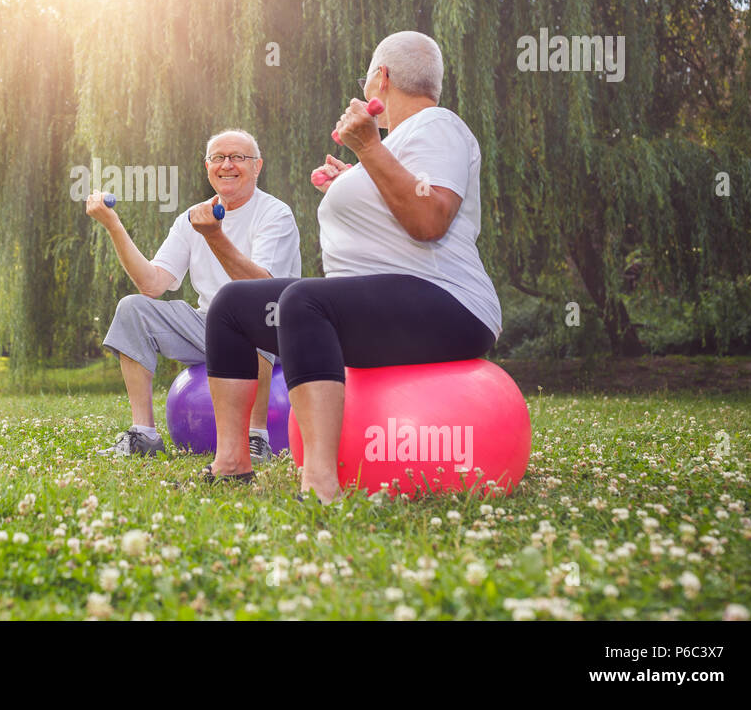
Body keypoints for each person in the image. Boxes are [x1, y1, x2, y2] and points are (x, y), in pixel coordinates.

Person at [202, 31, 502, 501]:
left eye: (367, 81)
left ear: (380, 79)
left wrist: (366, 148)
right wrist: (353, 181)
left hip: (448, 305)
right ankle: (231, 463)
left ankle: (320, 482)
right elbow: (400, 197)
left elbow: (429, 218)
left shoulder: (437, 125)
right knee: (232, 306)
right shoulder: (399, 145)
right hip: (382, 309)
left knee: (304, 300)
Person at [86, 130, 301, 458]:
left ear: (257, 167)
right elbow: (153, 284)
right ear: (208, 167)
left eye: (237, 157)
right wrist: (113, 225)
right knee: (132, 308)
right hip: (211, 326)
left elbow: (260, 287)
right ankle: (143, 434)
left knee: (251, 305)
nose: (226, 164)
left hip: (273, 331)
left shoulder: (275, 214)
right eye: (218, 158)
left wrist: (214, 236)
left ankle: (256, 438)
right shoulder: (192, 218)